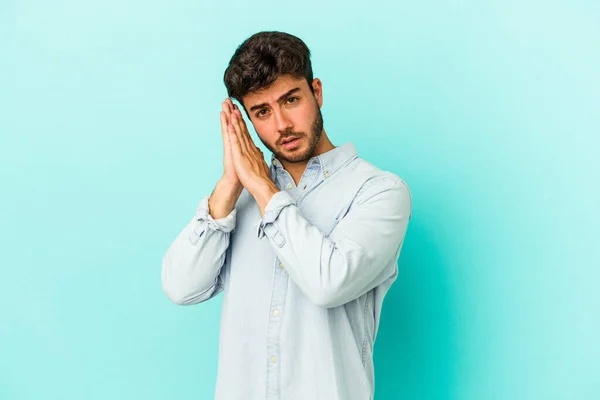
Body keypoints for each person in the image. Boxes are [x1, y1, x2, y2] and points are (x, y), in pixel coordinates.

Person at [161, 30, 412, 400]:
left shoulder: (379, 192)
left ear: (317, 92)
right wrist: (231, 185)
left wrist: (262, 187)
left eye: (291, 100)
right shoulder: (238, 202)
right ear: (246, 121)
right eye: (262, 112)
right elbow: (181, 288)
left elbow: (329, 284)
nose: (281, 125)